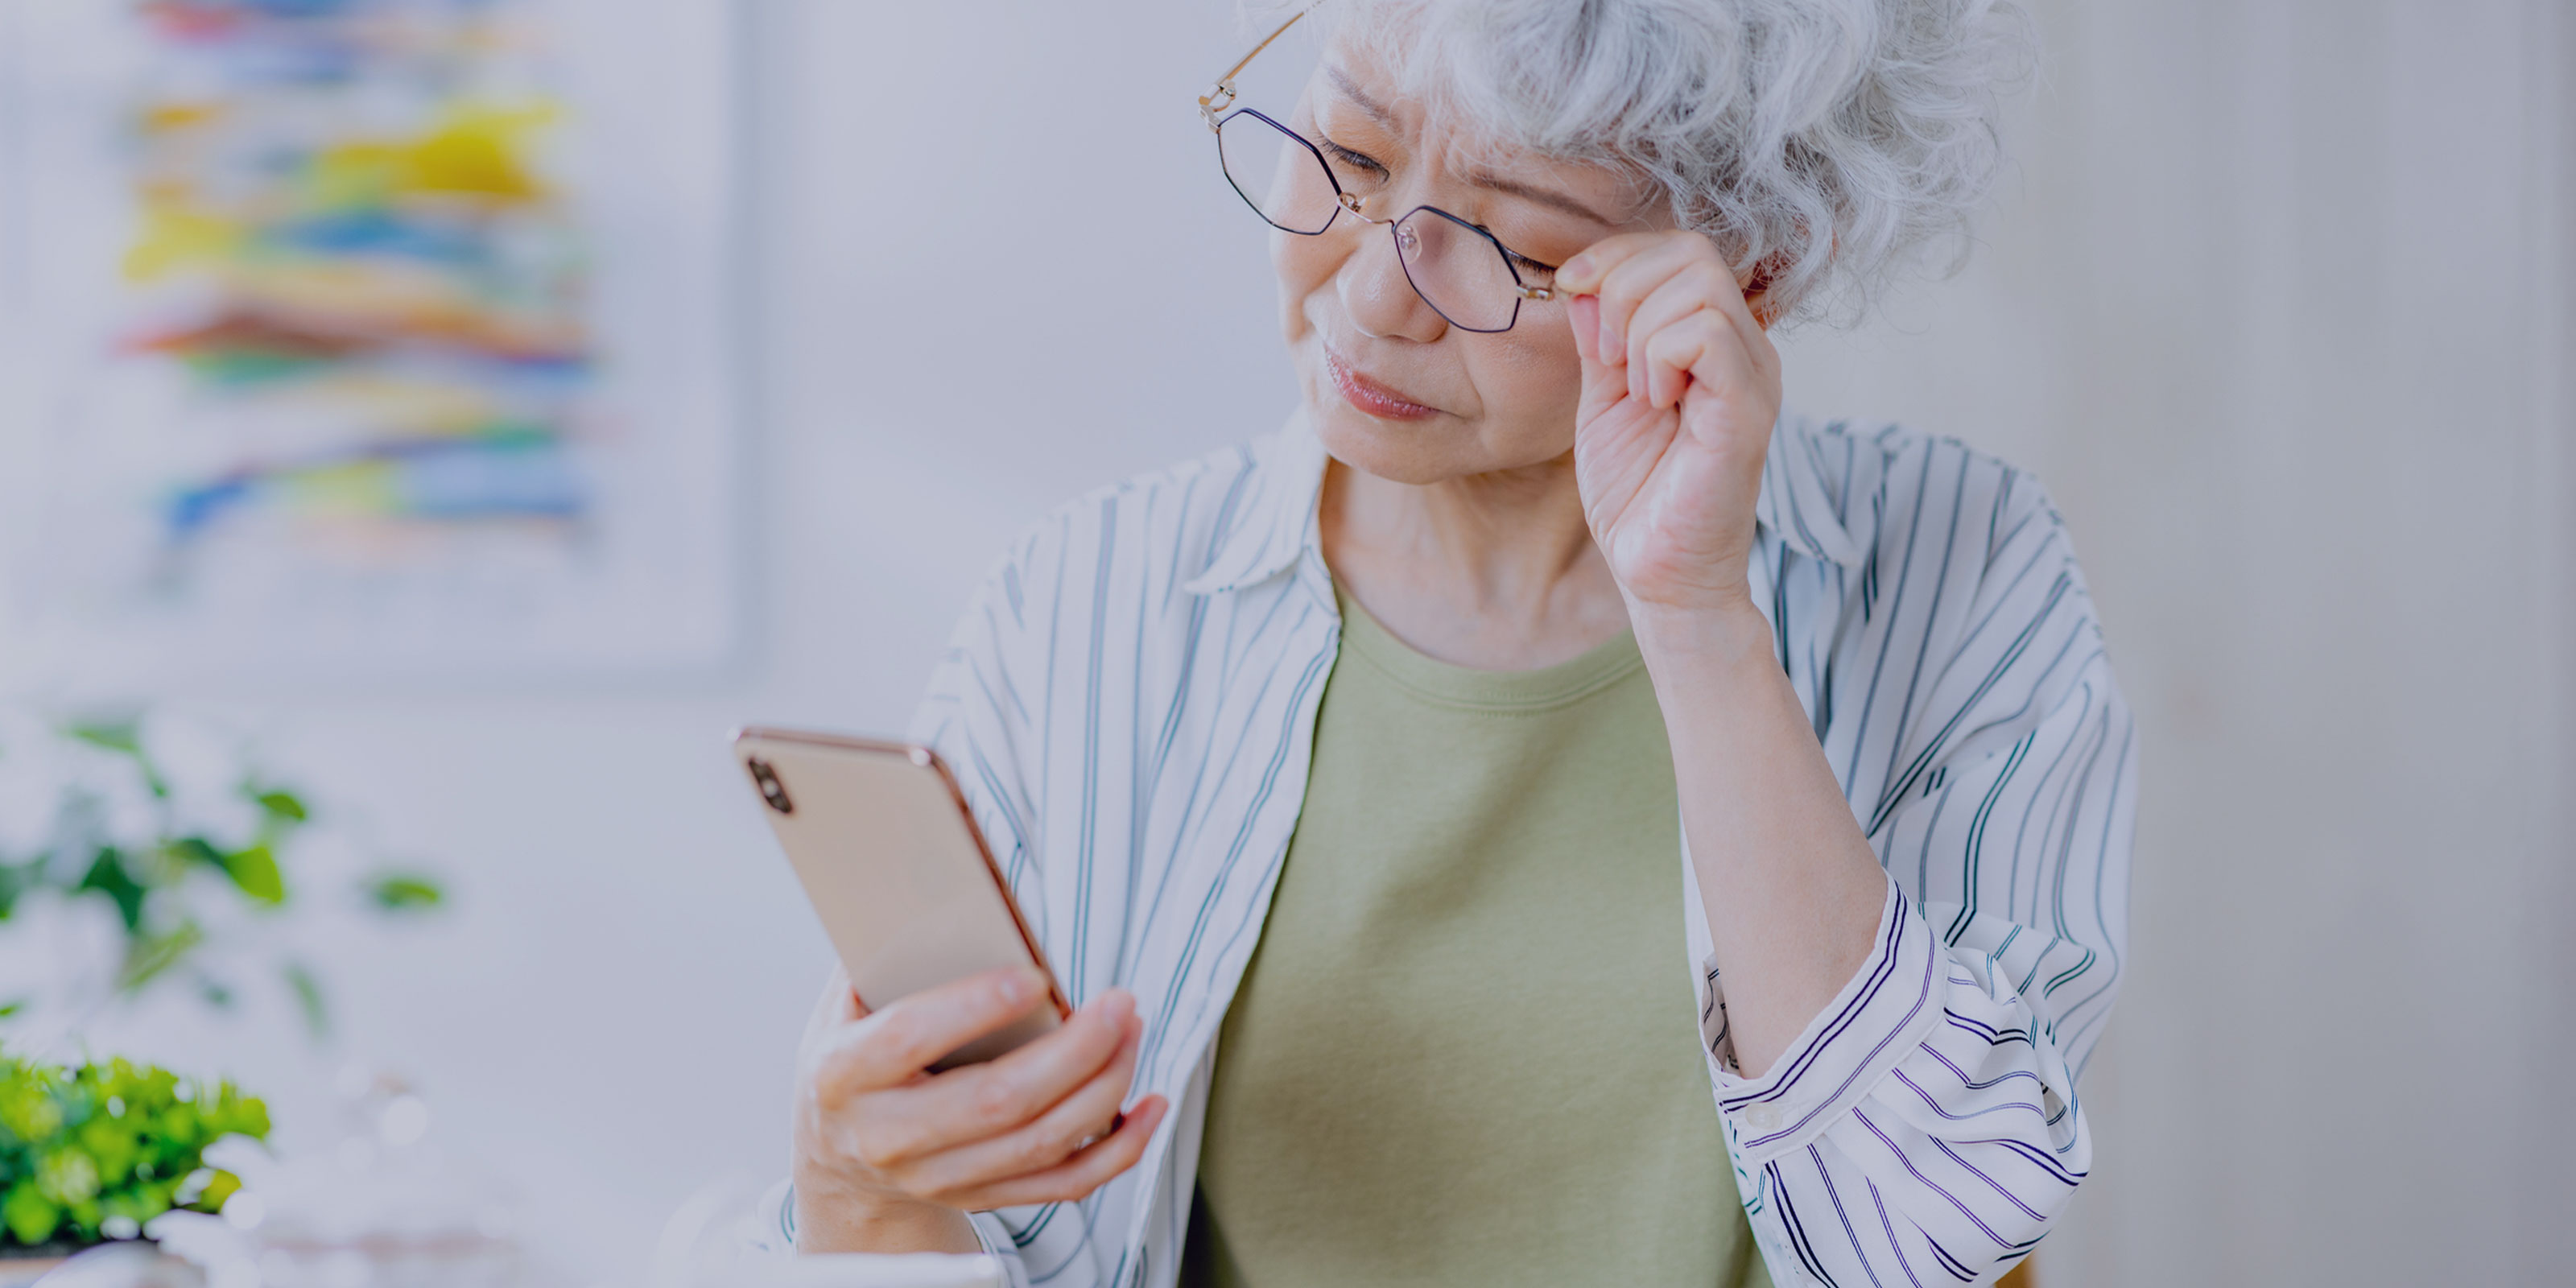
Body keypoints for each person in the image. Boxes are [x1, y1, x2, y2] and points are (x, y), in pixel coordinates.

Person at [779, 2, 2132, 1284]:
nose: (1372, 299)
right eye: (1346, 155)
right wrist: (860, 1196)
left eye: (1515, 249)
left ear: (1751, 275)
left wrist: (1697, 613)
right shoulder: (1089, 600)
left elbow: (1926, 1239)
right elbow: (965, 1208)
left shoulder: (1961, 568)